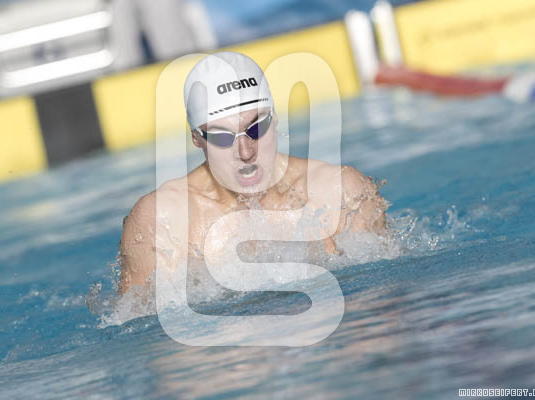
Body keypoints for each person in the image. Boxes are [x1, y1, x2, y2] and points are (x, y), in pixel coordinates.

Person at [118, 51, 387, 294]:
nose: (245, 152)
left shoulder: (341, 192)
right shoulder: (163, 220)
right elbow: (145, 328)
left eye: (256, 128)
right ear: (197, 139)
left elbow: (381, 305)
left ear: (275, 117)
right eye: (222, 137)